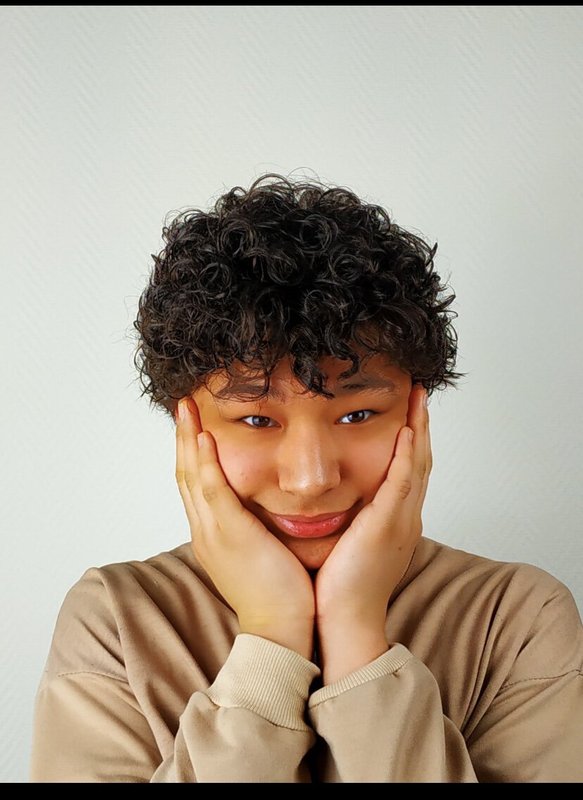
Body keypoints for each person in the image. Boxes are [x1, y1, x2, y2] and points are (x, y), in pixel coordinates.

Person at [30, 174, 583, 782]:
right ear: (186, 425)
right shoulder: (120, 619)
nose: (311, 478)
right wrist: (271, 633)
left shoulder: (515, 618)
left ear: (415, 414)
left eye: (357, 415)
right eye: (256, 419)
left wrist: (355, 628)